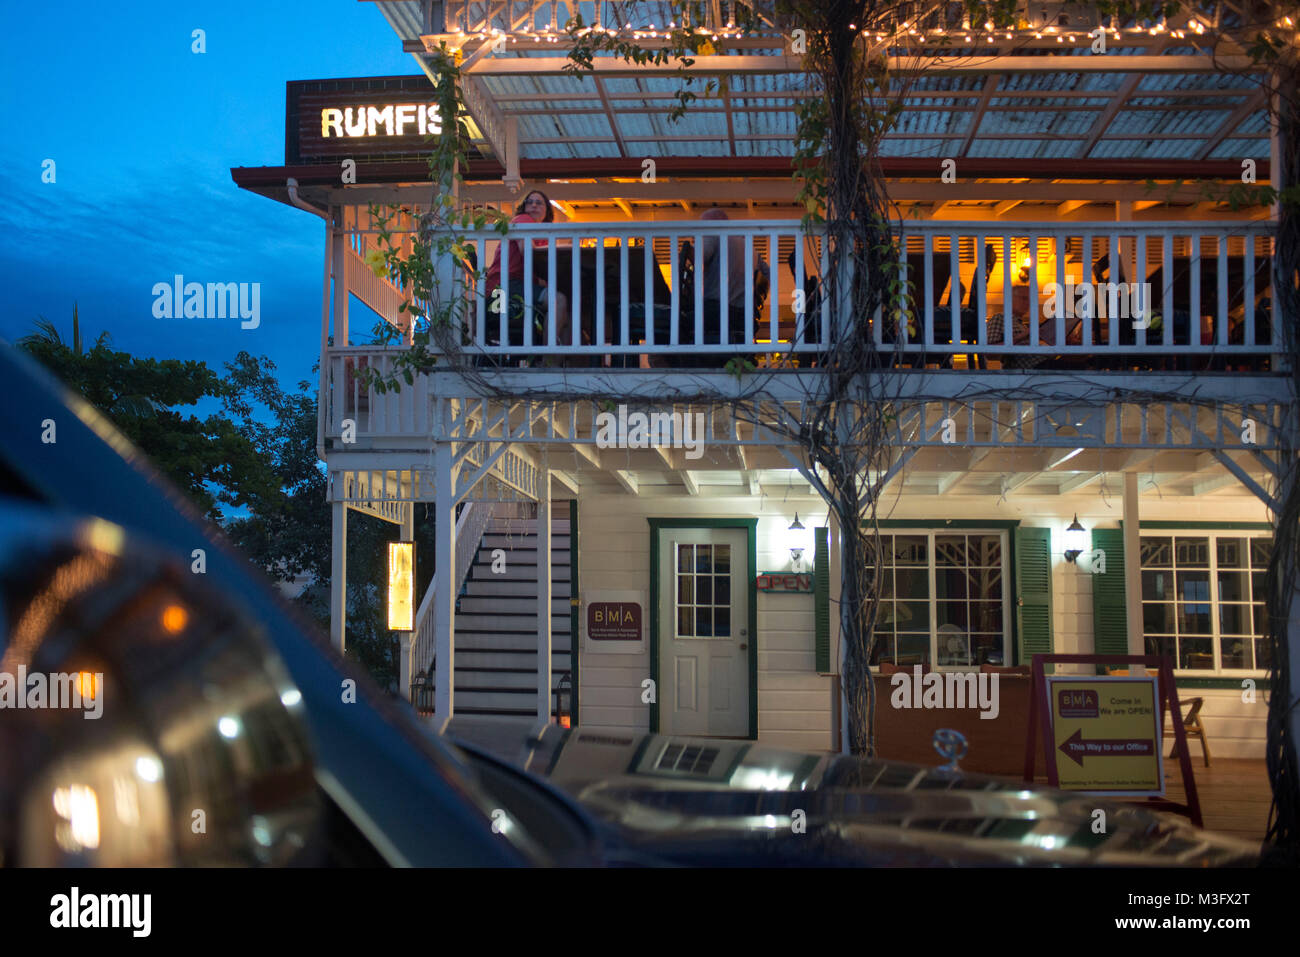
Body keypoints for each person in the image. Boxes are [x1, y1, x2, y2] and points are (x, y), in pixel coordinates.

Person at [483, 189, 571, 362]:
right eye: (529, 202)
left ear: (547, 210)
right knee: (558, 301)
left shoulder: (543, 236)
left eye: (539, 202)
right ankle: (549, 362)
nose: (533, 205)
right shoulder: (523, 220)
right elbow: (527, 251)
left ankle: (564, 364)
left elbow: (537, 270)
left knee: (566, 311)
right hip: (504, 286)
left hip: (517, 285)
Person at [690, 208, 770, 365]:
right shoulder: (750, 248)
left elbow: (699, 258)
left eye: (702, 226)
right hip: (743, 315)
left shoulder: (712, 235)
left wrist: (690, 250)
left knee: (675, 321)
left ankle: (682, 367)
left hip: (714, 313)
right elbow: (767, 276)